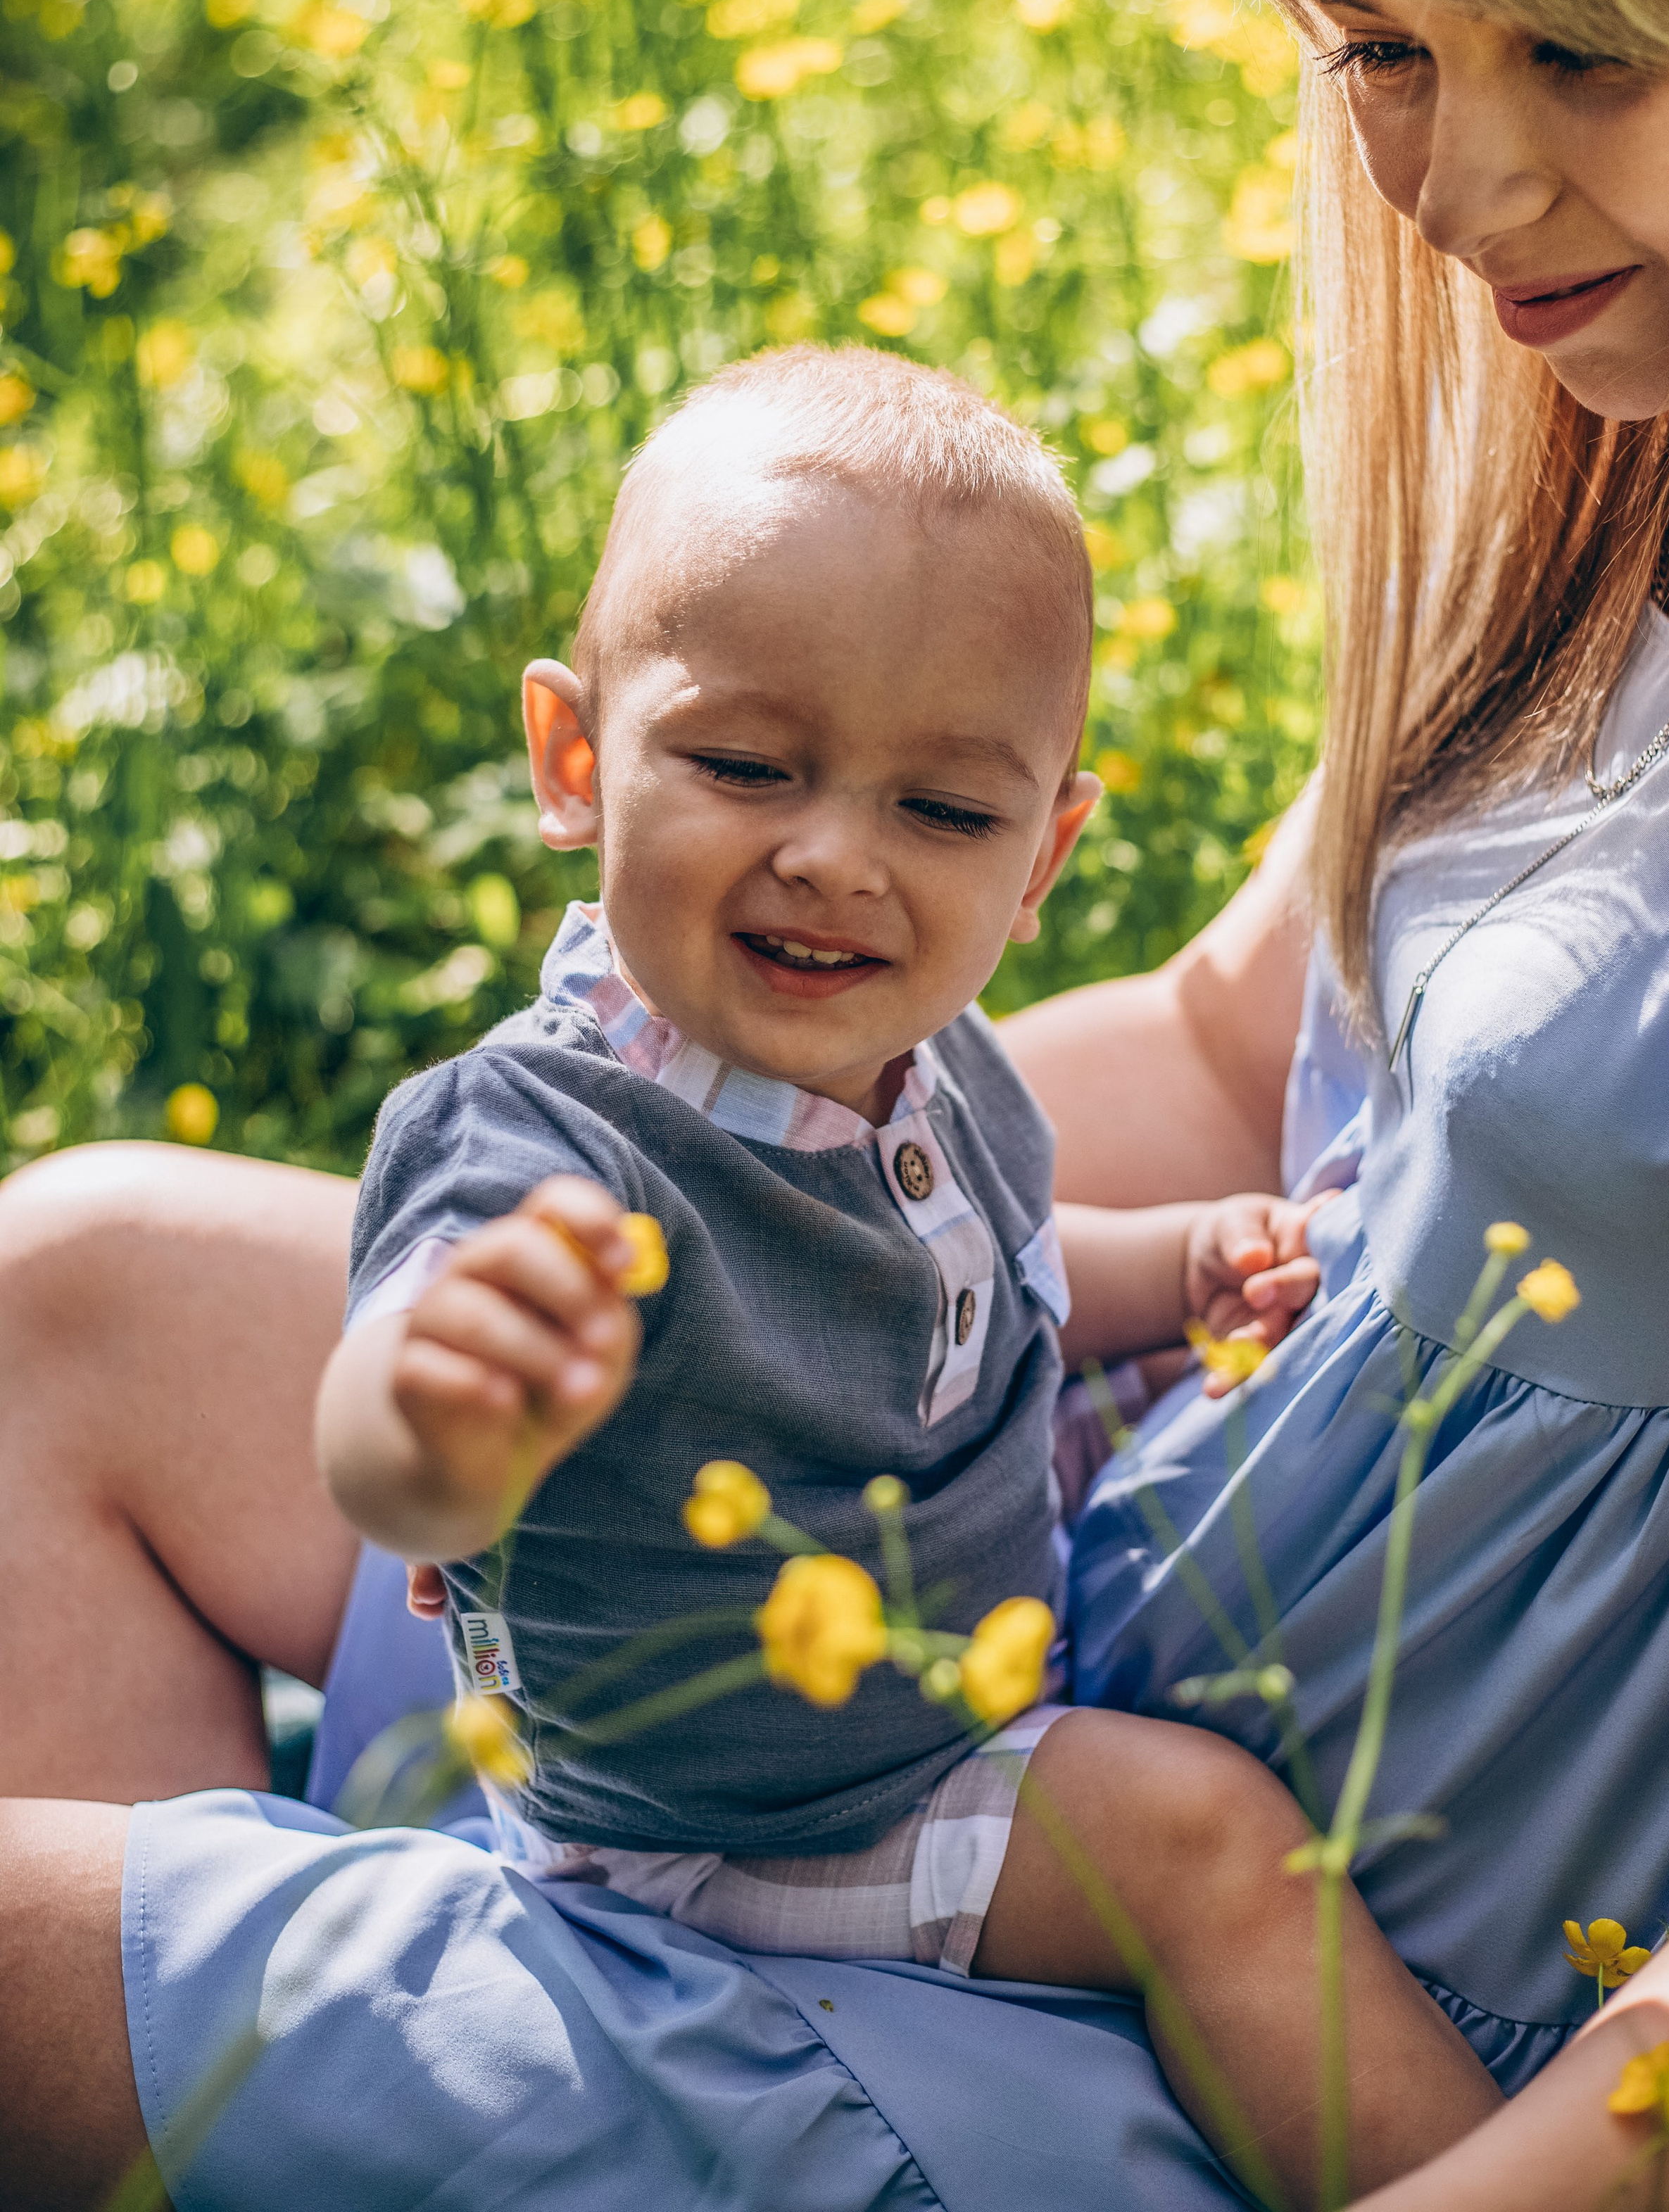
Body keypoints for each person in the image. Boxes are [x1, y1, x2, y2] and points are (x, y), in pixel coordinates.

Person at [6, 0, 1669, 2204]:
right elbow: (1219, 1048)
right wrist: (663, 1145)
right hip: (1011, 1624)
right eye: (1376, 53)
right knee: (83, 1293)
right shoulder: (1614, 511)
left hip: (1288, 1974)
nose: (1455, 192)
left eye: (1580, 56)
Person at [314, 341, 1493, 2201]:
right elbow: (390, 1447)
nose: (836, 859)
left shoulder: (934, 1071)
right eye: (744, 764)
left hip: (922, 1677)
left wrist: (1179, 1264)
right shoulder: (542, 1140)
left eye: (943, 813)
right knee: (1202, 1843)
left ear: (1045, 858)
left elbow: (1005, 1279)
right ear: (571, 758)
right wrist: (449, 1409)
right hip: (732, 1826)